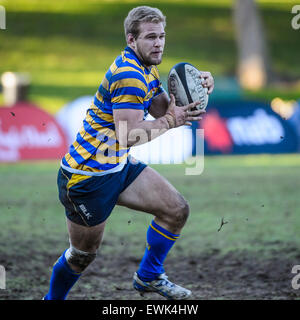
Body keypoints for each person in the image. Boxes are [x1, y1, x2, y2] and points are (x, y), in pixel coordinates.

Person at [44, 5, 214, 300]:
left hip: (116, 165)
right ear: (131, 40)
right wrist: (172, 120)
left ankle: (149, 276)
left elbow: (163, 110)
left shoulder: (145, 67)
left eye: (161, 36)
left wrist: (198, 91)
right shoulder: (129, 75)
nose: (158, 43)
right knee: (82, 256)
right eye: (150, 37)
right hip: (87, 177)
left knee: (176, 210)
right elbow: (130, 134)